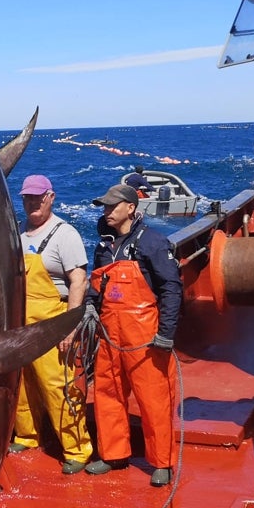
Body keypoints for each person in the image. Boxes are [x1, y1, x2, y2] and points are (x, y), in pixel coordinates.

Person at [84, 184, 183, 487]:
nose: (106, 212)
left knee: (154, 398)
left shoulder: (153, 243)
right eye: (104, 207)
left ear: (130, 207)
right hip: (110, 334)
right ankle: (113, 455)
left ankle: (162, 462)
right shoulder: (103, 246)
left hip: (145, 337)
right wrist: (90, 305)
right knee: (107, 393)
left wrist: (166, 333)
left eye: (112, 206)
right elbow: (97, 284)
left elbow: (171, 288)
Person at [10, 175, 94, 474]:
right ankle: (26, 435)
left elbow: (78, 281)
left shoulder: (65, 234)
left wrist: (69, 327)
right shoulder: (17, 231)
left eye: (38, 197)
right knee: (22, 383)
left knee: (59, 387)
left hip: (52, 319)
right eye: (27, 197)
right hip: (21, 321)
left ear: (51, 197)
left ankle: (77, 449)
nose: (32, 202)